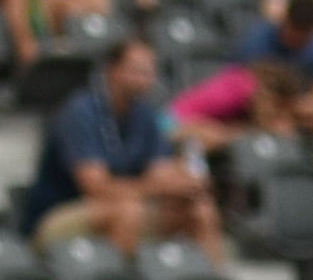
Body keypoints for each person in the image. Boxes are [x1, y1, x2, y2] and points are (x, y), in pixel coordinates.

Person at [19, 35, 221, 258]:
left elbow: (160, 173)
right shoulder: (80, 112)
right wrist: (157, 187)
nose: (145, 78)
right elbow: (96, 188)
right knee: (128, 211)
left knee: (200, 211)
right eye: (137, 70)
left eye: (149, 71)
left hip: (127, 202)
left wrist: (183, 184)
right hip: (61, 212)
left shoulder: (146, 115)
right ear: (111, 70)